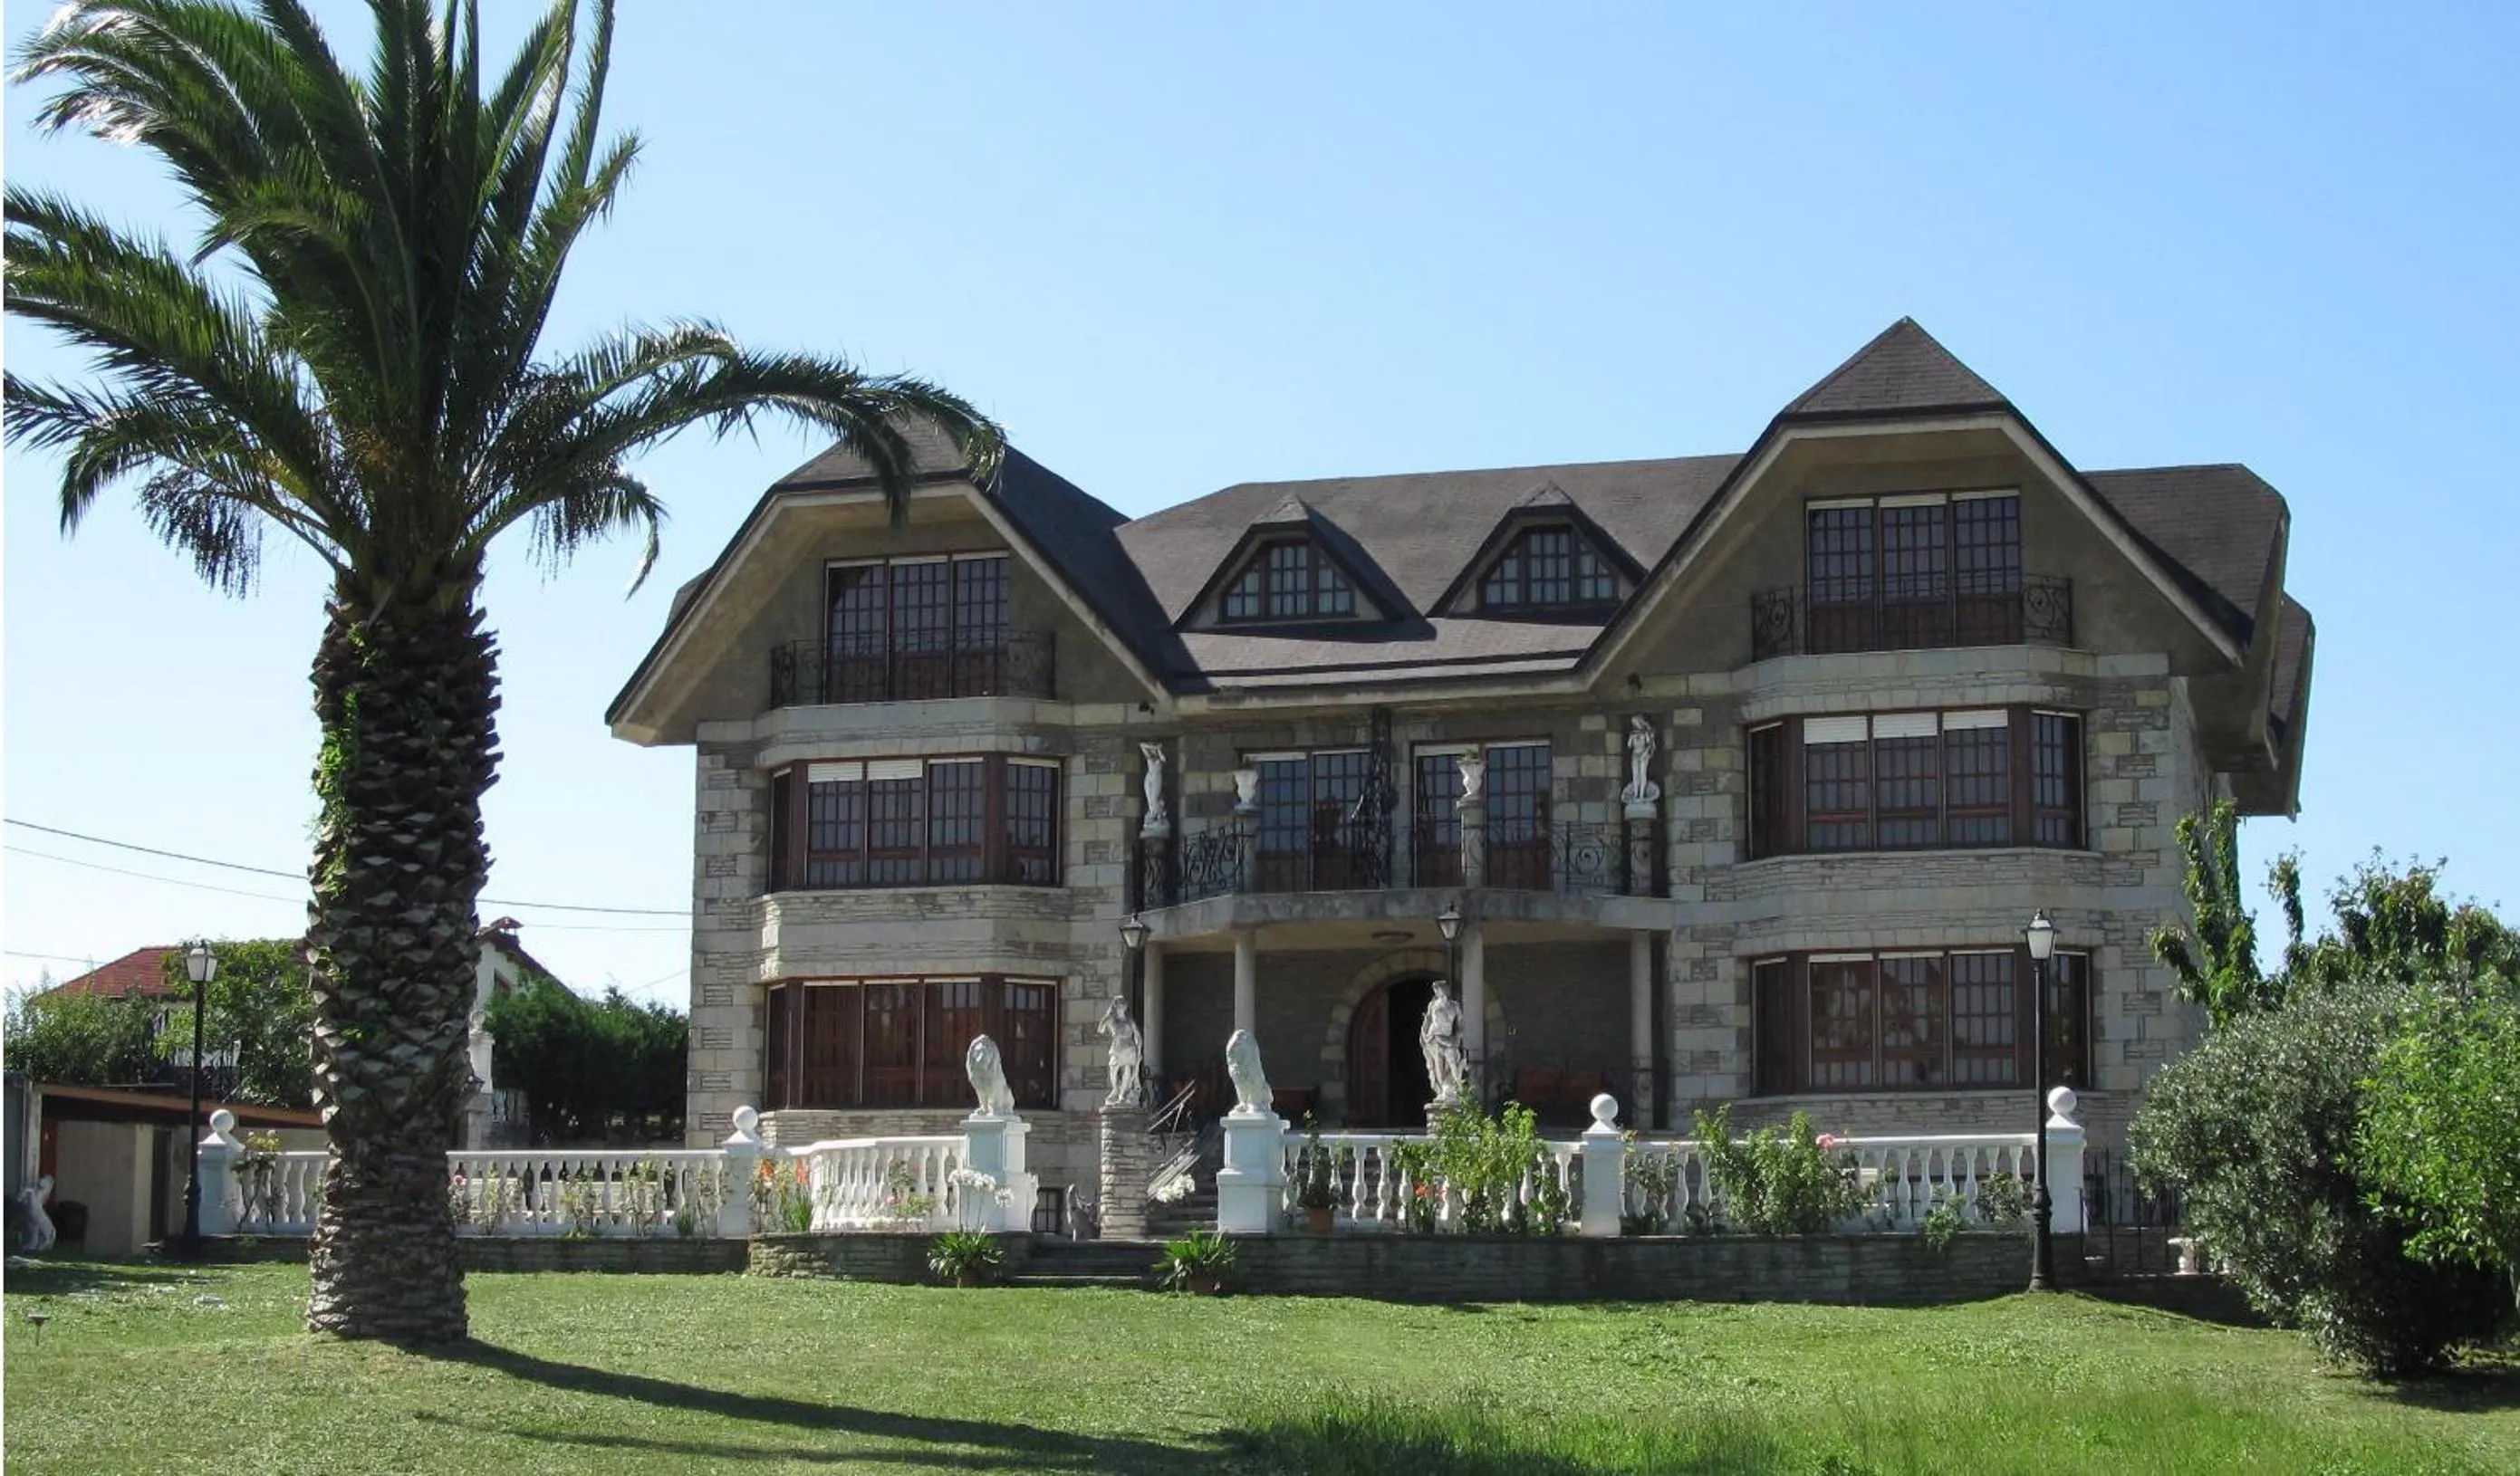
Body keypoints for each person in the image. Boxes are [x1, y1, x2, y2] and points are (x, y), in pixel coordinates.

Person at [1420, 981, 1467, 1107]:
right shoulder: (1433, 1005)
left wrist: (1458, 1036)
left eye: (1440, 988)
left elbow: (1461, 1024)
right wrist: (1424, 1035)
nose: (1439, 991)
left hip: (1449, 1038)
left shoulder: (1454, 1005)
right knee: (1438, 1065)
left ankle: (1454, 1090)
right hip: (1434, 1037)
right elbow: (1428, 1021)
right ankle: (1442, 1092)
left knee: (1451, 1062)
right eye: (1436, 989)